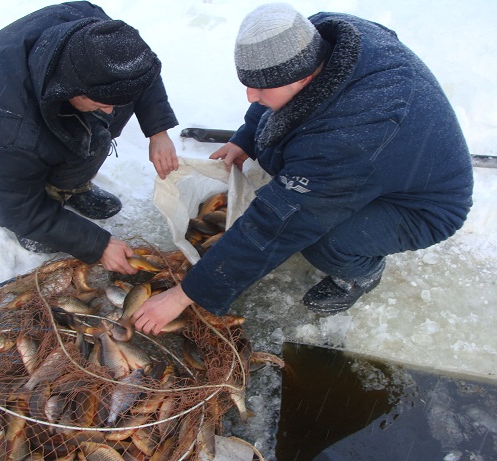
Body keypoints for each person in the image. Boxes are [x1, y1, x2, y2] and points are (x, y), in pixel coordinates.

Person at [133, 3, 473, 333]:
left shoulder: (348, 139)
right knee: (290, 168)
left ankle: (362, 273)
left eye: (260, 88)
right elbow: (275, 96)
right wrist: (247, 137)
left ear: (306, 77)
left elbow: (278, 225)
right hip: (386, 162)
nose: (250, 96)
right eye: (248, 83)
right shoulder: (309, 38)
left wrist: (184, 294)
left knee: (323, 239)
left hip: (421, 206)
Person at [0, 1, 178, 274]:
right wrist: (98, 245)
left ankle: (71, 188)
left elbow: (139, 70)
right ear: (71, 89)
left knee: (92, 130)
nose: (111, 111)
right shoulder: (7, 129)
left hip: (33, 108)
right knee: (30, 184)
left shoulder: (94, 30)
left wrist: (158, 131)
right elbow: (18, 210)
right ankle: (45, 206)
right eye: (102, 102)